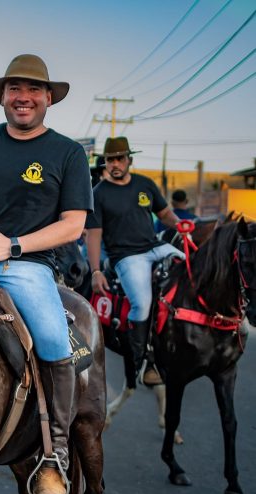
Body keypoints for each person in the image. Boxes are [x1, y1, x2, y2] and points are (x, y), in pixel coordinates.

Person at [0, 54, 91, 494]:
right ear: (3, 96)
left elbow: (73, 223)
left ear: (48, 98)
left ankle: (55, 448)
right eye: (14, 89)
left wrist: (15, 245)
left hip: (26, 265)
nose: (22, 98)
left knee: (52, 340)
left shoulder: (67, 152)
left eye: (32, 91)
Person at [86, 136, 182, 387]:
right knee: (141, 302)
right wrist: (96, 271)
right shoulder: (99, 194)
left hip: (156, 247)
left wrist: (180, 225)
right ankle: (142, 361)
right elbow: (93, 235)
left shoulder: (145, 185)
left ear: (129, 160)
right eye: (110, 160)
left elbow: (164, 213)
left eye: (119, 158)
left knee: (186, 262)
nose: (115, 164)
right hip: (127, 258)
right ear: (105, 162)